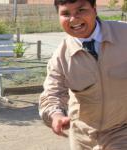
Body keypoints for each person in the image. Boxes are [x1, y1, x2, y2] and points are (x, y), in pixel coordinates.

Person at [39, 0, 127, 149]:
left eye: (81, 10)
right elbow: (52, 94)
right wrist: (56, 115)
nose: (73, 19)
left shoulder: (123, 34)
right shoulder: (61, 57)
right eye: (66, 14)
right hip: (82, 135)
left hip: (121, 130)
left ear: (94, 9)